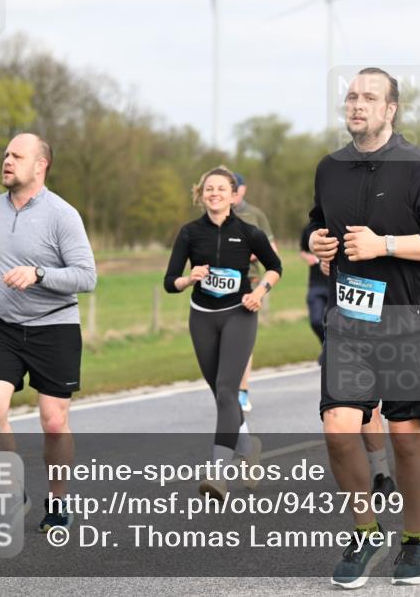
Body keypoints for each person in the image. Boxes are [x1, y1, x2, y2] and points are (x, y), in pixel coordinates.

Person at [308, 67, 420, 587]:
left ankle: (415, 540)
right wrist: (317, 243)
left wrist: (386, 244)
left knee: (404, 436)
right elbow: (317, 221)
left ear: (390, 109)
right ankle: (366, 530)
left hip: (408, 318)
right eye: (351, 96)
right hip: (350, 319)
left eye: (369, 97)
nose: (357, 105)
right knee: (337, 430)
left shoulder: (419, 168)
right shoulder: (329, 168)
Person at [0, 133, 97, 531]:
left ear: (40, 166)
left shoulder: (62, 214)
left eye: (17, 156)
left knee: (54, 422)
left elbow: (87, 277)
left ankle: (57, 501)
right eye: (5, 154)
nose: (7, 160)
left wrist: (39, 274)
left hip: (54, 327)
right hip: (1, 326)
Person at [164, 167, 282, 501]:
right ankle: (248, 444)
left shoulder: (249, 232)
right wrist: (189, 279)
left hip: (239, 315)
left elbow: (276, 267)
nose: (214, 193)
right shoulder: (189, 233)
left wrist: (259, 293)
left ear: (233, 195)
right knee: (221, 393)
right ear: (201, 195)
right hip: (201, 317)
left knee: (228, 391)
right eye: (208, 189)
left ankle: (217, 475)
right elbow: (169, 281)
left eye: (221, 189)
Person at [302, 224, 396, 496]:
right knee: (365, 404)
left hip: (397, 309)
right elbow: (317, 236)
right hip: (352, 314)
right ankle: (381, 473)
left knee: (399, 414)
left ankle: (411, 437)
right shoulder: (332, 201)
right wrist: (321, 253)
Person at [232, 173, 278, 413]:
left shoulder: (255, 215)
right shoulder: (214, 214)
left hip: (248, 281)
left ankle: (242, 390)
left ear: (242, 190)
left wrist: (246, 250)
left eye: (233, 188)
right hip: (216, 286)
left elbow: (272, 251)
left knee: (242, 339)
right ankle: (227, 387)